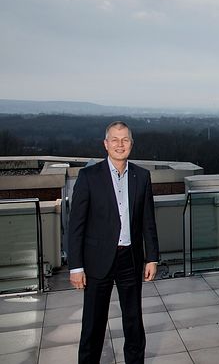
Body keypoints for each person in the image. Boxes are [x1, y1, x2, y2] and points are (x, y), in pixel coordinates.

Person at [68, 121, 159, 364]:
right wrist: (76, 267)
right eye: (115, 140)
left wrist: (152, 257)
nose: (120, 145)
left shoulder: (142, 176)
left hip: (130, 259)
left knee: (133, 322)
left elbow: (148, 221)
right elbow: (76, 226)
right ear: (105, 144)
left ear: (131, 143)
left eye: (125, 139)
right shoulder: (89, 177)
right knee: (93, 325)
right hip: (97, 261)